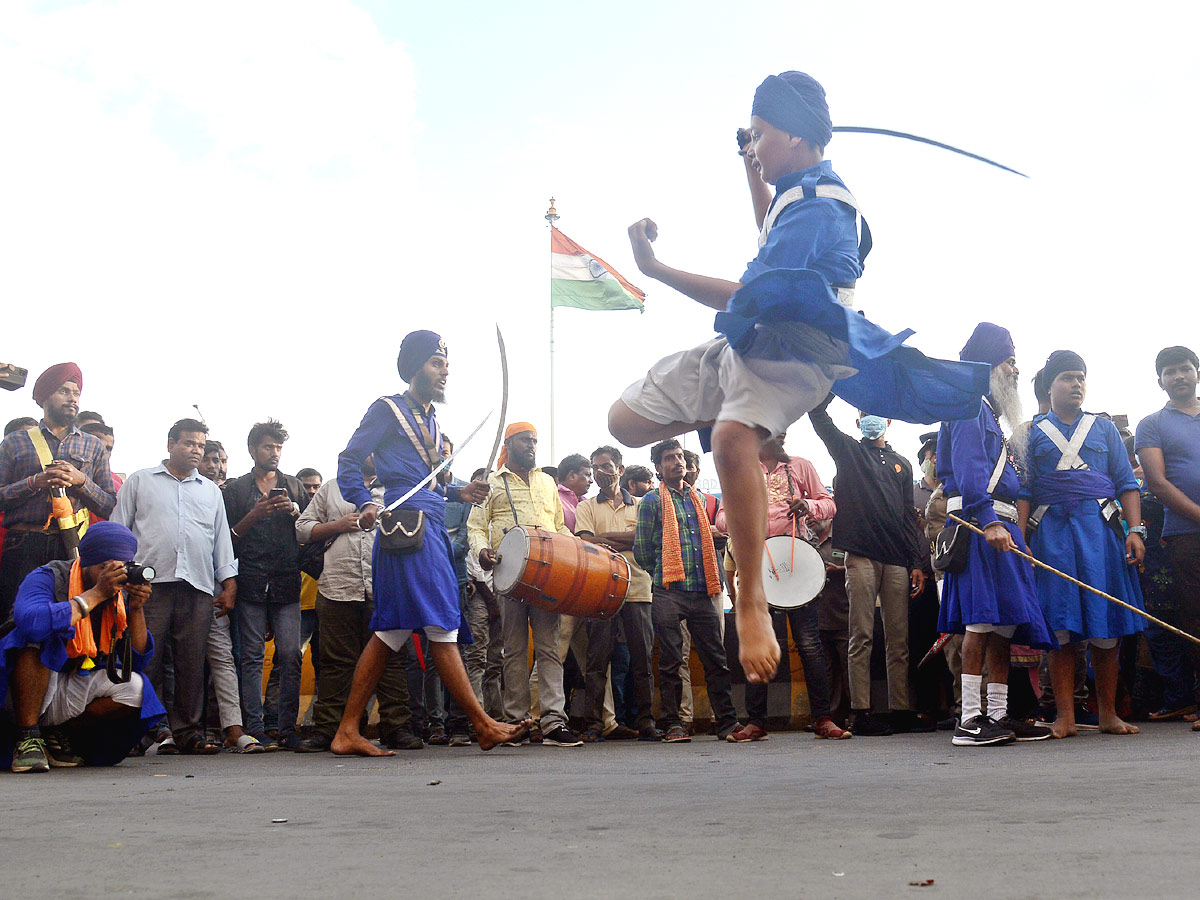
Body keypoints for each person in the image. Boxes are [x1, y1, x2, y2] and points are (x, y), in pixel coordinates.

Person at [608, 71, 987, 688]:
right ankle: (741, 425)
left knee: (731, 441)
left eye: (759, 136)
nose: (753, 145)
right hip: (753, 336)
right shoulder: (793, 194)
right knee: (623, 424)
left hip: (803, 348)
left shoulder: (820, 206)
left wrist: (653, 266)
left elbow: (754, 290)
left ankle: (751, 596)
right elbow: (768, 232)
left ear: (793, 134)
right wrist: (748, 165)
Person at [331, 330, 527, 755]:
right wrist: (364, 500)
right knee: (441, 623)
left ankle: (348, 730)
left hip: (431, 526)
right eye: (437, 363)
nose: (445, 372)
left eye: (446, 365)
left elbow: (435, 482)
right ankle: (482, 724)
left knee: (393, 631)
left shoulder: (433, 423)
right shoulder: (387, 410)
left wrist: (460, 493)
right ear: (415, 365)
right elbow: (349, 459)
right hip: (408, 528)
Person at [937, 323, 1055, 746]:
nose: (1016, 370)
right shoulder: (968, 409)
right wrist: (988, 521)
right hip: (980, 526)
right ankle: (969, 720)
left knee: (1003, 626)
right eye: (1009, 360)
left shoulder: (987, 412)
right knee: (980, 621)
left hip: (1001, 526)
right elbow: (970, 473)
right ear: (988, 363)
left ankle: (1000, 715)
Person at [1020, 351, 1145, 738]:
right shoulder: (1030, 432)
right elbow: (1024, 490)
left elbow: (1126, 482)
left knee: (1107, 627)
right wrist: (1022, 539)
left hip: (1100, 535)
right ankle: (1065, 716)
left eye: (1081, 378)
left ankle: (1107, 713)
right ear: (1049, 385)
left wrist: (1135, 530)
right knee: (1060, 629)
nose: (1076, 384)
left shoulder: (1105, 430)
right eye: (1067, 378)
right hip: (1052, 536)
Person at [111, 418, 237, 755]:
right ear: (170, 444)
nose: (196, 450)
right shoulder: (140, 481)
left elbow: (220, 541)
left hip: (197, 584)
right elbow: (118, 531)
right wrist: (121, 578)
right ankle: (139, 732)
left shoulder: (210, 491)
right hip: (148, 586)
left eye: (200, 445)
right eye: (189, 443)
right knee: (144, 658)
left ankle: (188, 732)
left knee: (191, 662)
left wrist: (228, 583)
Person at [0, 521, 166, 772]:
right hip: (23, 685)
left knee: (135, 687)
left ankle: (56, 735)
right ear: (88, 562)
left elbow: (139, 661)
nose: (111, 573)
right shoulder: (49, 576)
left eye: (120, 567)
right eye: (104, 567)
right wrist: (96, 594)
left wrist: (136, 609)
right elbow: (30, 623)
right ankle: (27, 736)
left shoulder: (118, 592)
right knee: (35, 638)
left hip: (72, 679)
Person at [717, 433, 848, 740]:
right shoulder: (740, 469)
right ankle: (756, 722)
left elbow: (829, 505)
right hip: (758, 567)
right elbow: (722, 520)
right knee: (759, 642)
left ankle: (822, 718)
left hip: (797, 565)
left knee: (810, 644)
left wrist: (807, 506)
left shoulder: (801, 466)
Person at [809, 395, 926, 735]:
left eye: (877, 411)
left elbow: (908, 516)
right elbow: (817, 414)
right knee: (860, 634)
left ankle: (899, 709)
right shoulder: (847, 450)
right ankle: (860, 711)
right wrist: (838, 383)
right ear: (858, 422)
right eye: (863, 412)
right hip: (860, 555)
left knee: (898, 639)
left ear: (889, 421)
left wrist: (916, 561)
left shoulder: (902, 463)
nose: (871, 417)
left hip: (897, 559)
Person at [293, 454, 417, 752]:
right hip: (338, 584)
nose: (372, 453)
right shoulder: (333, 488)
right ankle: (330, 728)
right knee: (336, 662)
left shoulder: (397, 489)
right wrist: (338, 525)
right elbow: (301, 528)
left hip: (386, 587)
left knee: (391, 661)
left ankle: (396, 727)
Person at [468, 422, 580, 747]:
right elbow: (476, 527)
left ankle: (554, 723)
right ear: (510, 443)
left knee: (549, 649)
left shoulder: (548, 481)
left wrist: (581, 555)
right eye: (525, 440)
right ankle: (517, 723)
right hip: (509, 574)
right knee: (513, 650)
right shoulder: (490, 483)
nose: (532, 445)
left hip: (549, 575)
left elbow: (559, 525)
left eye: (534, 440)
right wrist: (482, 551)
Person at [634, 439, 740, 742]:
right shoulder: (652, 501)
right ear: (658, 467)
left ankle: (727, 723)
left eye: (679, 456)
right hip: (669, 590)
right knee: (670, 661)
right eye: (669, 458)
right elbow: (642, 551)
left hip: (703, 588)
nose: (677, 462)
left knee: (716, 660)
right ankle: (673, 725)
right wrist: (664, 573)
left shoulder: (699, 499)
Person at [0, 363, 116, 620]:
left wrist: (81, 481)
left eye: (76, 393)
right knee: (14, 618)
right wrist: (34, 483)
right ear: (45, 397)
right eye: (64, 391)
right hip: (23, 543)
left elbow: (110, 506)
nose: (72, 398)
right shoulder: (15, 442)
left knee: (70, 619)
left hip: (71, 546)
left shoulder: (93, 446)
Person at [222, 419, 309, 751]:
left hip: (287, 580)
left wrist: (295, 511)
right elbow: (227, 539)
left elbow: (306, 532)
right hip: (251, 580)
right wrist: (255, 514)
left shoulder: (294, 486)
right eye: (268, 446)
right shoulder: (237, 489)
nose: (274, 453)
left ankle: (286, 729)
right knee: (252, 657)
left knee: (290, 654)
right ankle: (255, 728)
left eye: (278, 447)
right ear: (252, 450)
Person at [1135, 346, 1200, 732]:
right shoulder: (1152, 424)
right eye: (1170, 371)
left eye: (1185, 368)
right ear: (1159, 380)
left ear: (1197, 372)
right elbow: (1156, 482)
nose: (1178, 376)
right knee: (1195, 618)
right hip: (1184, 536)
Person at [575, 446, 657, 741]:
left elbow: (645, 538)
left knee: (642, 660)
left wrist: (605, 539)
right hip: (601, 591)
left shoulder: (643, 504)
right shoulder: (586, 507)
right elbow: (586, 543)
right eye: (596, 467)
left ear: (621, 470)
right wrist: (623, 541)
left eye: (607, 466)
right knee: (597, 661)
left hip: (637, 588)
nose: (600, 473)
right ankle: (594, 724)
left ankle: (646, 722)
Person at [196, 440, 258, 752]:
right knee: (181, 661)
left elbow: (226, 545)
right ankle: (170, 729)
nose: (215, 466)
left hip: (219, 586)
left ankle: (231, 727)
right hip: (181, 585)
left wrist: (229, 583)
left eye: (220, 460)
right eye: (208, 459)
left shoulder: (229, 494)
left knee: (223, 657)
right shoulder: (182, 491)